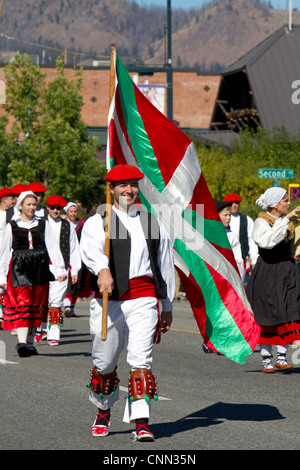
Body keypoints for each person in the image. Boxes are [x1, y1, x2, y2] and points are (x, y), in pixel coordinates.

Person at [80, 164, 175, 441]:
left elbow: (165, 265)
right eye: (122, 185)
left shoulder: (152, 222)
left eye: (133, 184)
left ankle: (141, 422)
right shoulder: (101, 221)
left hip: (144, 297)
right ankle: (103, 411)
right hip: (110, 299)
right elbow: (91, 251)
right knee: (105, 360)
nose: (129, 190)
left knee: (140, 360)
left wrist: (166, 306)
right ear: (111, 189)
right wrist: (103, 269)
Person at [0, 191, 67, 357]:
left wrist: (59, 269)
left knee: (36, 304)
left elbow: (52, 246)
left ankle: (30, 343)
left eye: (34, 204)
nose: (32, 207)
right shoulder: (13, 225)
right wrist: (2, 276)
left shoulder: (43, 223)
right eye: (28, 204)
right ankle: (22, 342)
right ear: (21, 205)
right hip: (19, 268)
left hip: (39, 266)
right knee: (23, 302)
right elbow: (4, 252)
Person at [246, 187, 300, 373]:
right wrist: (285, 221)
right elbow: (267, 242)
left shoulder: (288, 222)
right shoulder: (262, 221)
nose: (288, 203)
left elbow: (289, 244)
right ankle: (267, 360)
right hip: (268, 271)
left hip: (286, 270)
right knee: (269, 314)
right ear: (275, 204)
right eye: (285, 200)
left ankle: (283, 358)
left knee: (288, 310)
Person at [35, 195, 81, 346]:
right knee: (42, 300)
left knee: (56, 302)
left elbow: (74, 249)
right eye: (52, 208)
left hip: (62, 268)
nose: (55, 211)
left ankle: (54, 333)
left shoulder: (68, 226)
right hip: (42, 266)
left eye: (58, 208)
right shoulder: (39, 224)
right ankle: (39, 329)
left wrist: (74, 270)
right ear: (48, 208)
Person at [62, 202, 91, 317]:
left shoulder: (82, 225)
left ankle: (71, 308)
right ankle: (67, 305)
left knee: (77, 282)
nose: (73, 214)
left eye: (75, 211)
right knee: (66, 282)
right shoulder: (62, 224)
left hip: (78, 257)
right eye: (71, 211)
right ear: (67, 212)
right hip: (65, 257)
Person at [224, 193, 259, 282]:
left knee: (240, 285)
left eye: (237, 203)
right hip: (225, 259)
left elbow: (252, 240)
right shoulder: (221, 219)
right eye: (232, 203)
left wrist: (254, 260)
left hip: (241, 260)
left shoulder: (247, 220)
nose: (234, 205)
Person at [216, 201, 245, 279]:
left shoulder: (232, 236)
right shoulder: (209, 235)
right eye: (225, 215)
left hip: (228, 276)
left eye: (229, 215)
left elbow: (238, 260)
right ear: (217, 216)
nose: (228, 218)